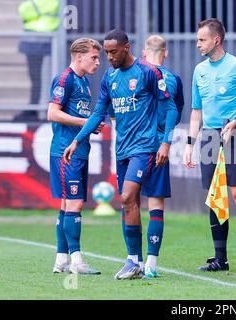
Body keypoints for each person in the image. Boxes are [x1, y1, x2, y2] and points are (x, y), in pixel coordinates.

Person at [63, 30, 171, 280]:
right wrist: (78, 140)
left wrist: (165, 141)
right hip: (122, 150)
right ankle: (134, 260)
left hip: (145, 147)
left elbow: (171, 106)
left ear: (126, 47)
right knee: (128, 203)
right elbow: (98, 113)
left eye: (113, 52)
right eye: (106, 52)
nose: (109, 57)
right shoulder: (109, 77)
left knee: (126, 196)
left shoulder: (147, 72)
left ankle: (135, 261)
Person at [183, 18, 236, 272]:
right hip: (208, 137)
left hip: (235, 134)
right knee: (215, 197)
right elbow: (196, 111)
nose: (197, 44)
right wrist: (189, 144)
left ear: (216, 40)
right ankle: (220, 259)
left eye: (201, 39)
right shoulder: (199, 70)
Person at [48, 38, 104, 275]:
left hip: (79, 150)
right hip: (65, 151)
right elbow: (52, 113)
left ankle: (61, 260)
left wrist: (91, 125)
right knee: (75, 203)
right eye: (94, 57)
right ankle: (77, 261)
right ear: (79, 57)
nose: (98, 62)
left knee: (66, 204)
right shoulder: (65, 79)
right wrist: (86, 122)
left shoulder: (84, 82)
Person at [133, 35, 182, 278]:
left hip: (133, 147)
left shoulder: (134, 73)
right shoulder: (173, 79)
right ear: (166, 53)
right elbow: (175, 110)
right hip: (158, 147)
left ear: (143, 52)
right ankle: (151, 263)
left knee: (128, 201)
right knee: (155, 204)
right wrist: (166, 141)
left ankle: (133, 260)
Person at [18, 0, 60, 121]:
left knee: (40, 78)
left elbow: (23, 9)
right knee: (36, 78)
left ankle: (38, 109)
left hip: (40, 40)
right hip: (37, 40)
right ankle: (34, 107)